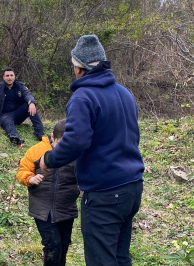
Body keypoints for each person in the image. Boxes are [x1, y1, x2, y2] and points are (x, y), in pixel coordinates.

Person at [40, 35, 145, 266]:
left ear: (79, 68)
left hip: (105, 193)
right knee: (119, 257)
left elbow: (76, 141)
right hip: (132, 188)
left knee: (101, 260)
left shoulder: (83, 96)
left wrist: (49, 159)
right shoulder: (124, 93)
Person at [16, 119, 79, 266]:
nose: (64, 149)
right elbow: (22, 170)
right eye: (60, 144)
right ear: (52, 137)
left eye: (68, 145)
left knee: (63, 246)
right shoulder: (37, 150)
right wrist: (30, 178)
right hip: (42, 209)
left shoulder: (76, 152)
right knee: (53, 246)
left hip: (66, 209)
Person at [0, 68, 44, 145]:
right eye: (7, 76)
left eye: (11, 75)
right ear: (3, 77)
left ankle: (40, 133)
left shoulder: (19, 86)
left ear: (14, 76)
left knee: (30, 105)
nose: (9, 78)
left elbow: (27, 94)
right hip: (2, 115)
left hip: (17, 114)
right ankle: (14, 137)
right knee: (8, 121)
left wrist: (31, 103)